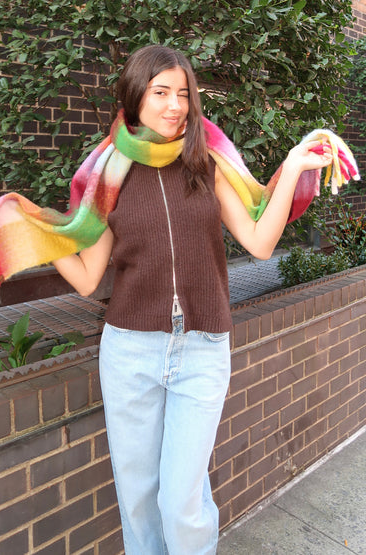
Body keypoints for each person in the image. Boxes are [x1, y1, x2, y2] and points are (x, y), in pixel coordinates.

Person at [51, 45, 333, 554]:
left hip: (202, 349)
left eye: (183, 94)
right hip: (130, 351)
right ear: (135, 97)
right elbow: (89, 276)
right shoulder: (106, 176)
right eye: (161, 93)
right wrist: (35, 237)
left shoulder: (207, 163)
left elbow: (259, 242)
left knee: (182, 502)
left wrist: (291, 167)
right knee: (138, 499)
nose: (175, 106)